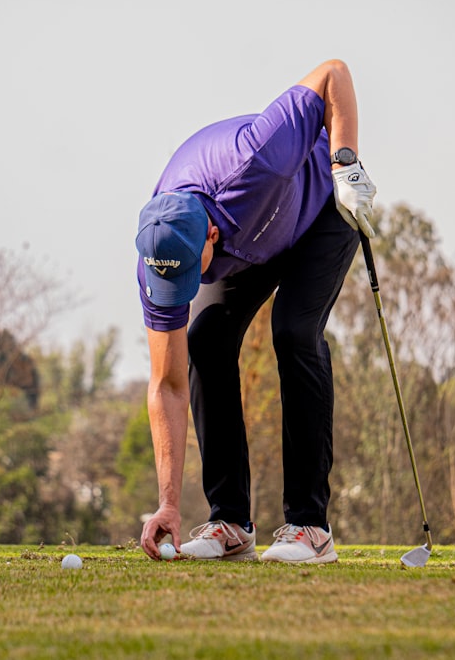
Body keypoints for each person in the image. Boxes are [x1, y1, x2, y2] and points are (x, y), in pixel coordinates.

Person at [135, 59, 378, 564]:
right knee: (203, 341)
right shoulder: (160, 257)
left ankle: (311, 528)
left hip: (320, 210)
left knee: (292, 332)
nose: (182, 288)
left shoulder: (256, 157)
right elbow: (167, 385)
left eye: (190, 274)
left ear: (211, 236)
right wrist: (168, 504)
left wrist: (347, 163)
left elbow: (334, 73)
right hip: (256, 242)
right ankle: (230, 523)